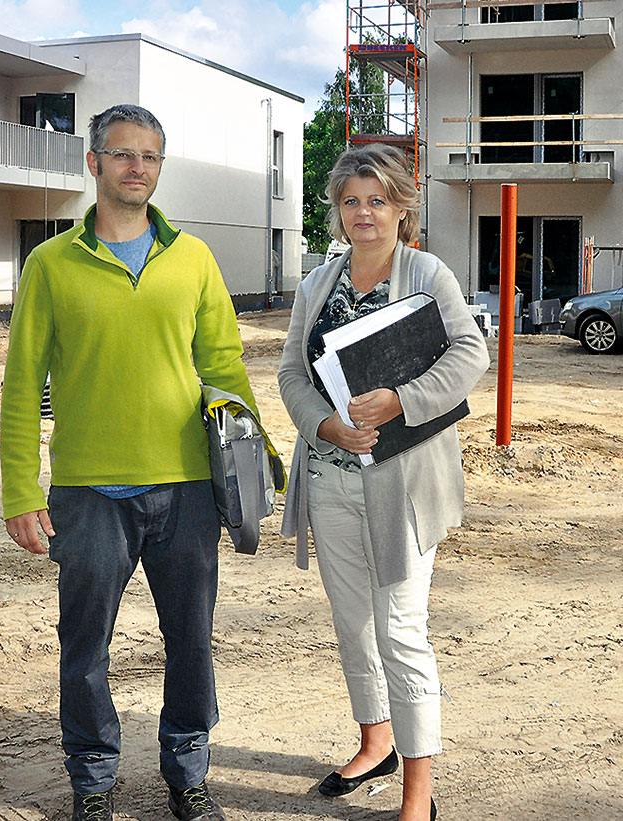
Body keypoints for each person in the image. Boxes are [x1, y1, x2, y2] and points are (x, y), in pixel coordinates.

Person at [0, 104, 258, 821]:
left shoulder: (194, 259)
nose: (135, 167)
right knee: (84, 648)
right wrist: (22, 489)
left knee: (191, 645)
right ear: (93, 163)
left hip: (187, 490)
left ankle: (188, 771)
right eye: (121, 154)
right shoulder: (51, 265)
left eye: (149, 156)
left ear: (158, 167)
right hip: (89, 494)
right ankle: (92, 780)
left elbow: (226, 370)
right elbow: (22, 384)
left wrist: (253, 467)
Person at [278, 144, 489, 821]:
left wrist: (402, 398)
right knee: (352, 622)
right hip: (330, 480)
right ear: (338, 212)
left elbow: (469, 353)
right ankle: (376, 742)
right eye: (351, 200)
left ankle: (418, 796)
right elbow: (289, 374)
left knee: (400, 629)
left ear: (401, 206)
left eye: (377, 199)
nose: (364, 212)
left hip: (400, 486)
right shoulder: (318, 284)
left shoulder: (427, 273)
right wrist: (324, 426)